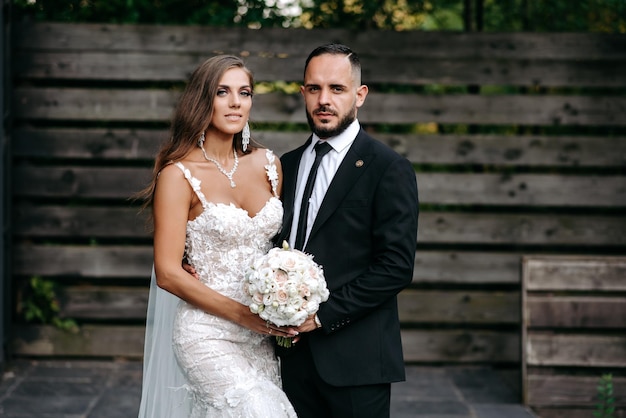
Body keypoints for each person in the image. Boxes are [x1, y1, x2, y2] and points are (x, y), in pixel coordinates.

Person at [137, 55, 297, 418]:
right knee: (261, 410)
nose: (236, 102)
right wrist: (244, 315)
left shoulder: (270, 165)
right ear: (202, 100)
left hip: (260, 337)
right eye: (222, 92)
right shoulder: (178, 175)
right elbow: (168, 272)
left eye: (245, 92)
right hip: (206, 332)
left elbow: (279, 249)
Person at [274, 43, 419, 418]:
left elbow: (395, 267)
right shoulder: (285, 165)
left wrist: (320, 316)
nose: (324, 99)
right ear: (303, 93)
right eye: (314, 88)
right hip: (289, 360)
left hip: (357, 362)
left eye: (336, 89)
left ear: (360, 95)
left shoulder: (387, 167)